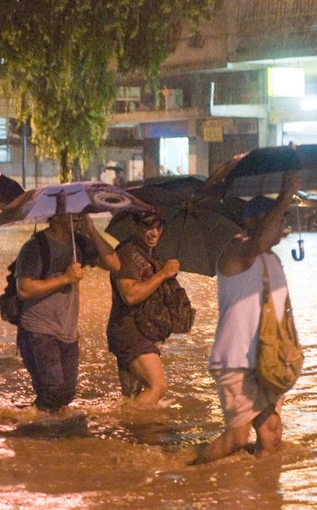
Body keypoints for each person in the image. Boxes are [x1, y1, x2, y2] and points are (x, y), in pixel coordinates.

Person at [193, 170, 301, 464]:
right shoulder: (236, 251)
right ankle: (187, 473)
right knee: (236, 440)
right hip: (236, 361)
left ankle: (261, 495)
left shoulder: (273, 259)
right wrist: (287, 192)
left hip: (267, 360)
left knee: (271, 431)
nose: (282, 225)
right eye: (277, 218)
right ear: (252, 222)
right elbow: (259, 242)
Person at [15, 211, 120, 415]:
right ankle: (39, 438)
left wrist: (92, 231)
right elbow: (24, 289)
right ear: (53, 216)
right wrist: (65, 278)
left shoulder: (80, 243)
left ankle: (32, 425)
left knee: (66, 394)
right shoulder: (34, 247)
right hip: (38, 331)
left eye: (77, 211)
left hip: (68, 332)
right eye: (68, 211)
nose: (75, 215)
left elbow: (114, 264)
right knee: (52, 390)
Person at [107, 208, 180, 408]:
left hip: (139, 330)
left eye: (158, 227)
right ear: (134, 226)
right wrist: (163, 274)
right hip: (128, 331)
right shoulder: (126, 253)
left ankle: (126, 433)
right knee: (158, 386)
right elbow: (130, 295)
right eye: (148, 227)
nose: (154, 233)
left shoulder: (150, 254)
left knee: (131, 397)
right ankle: (128, 423)